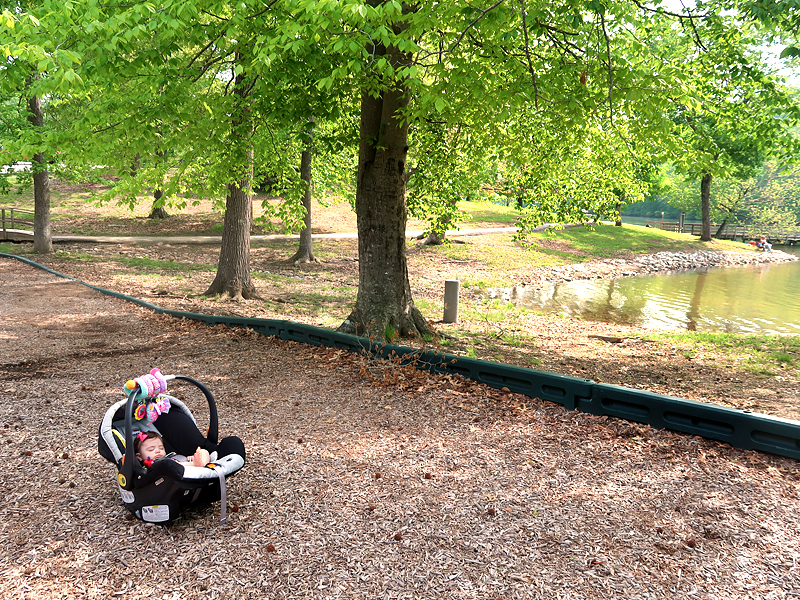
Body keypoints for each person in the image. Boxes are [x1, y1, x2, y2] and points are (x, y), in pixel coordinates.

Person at [134, 431, 210, 468]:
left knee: (204, 451)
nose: (158, 451)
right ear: (139, 456)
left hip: (186, 463)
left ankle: (202, 463)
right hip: (175, 471)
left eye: (161, 448)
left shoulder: (169, 456)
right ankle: (196, 464)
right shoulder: (149, 466)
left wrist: (192, 458)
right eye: (151, 450)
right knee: (167, 466)